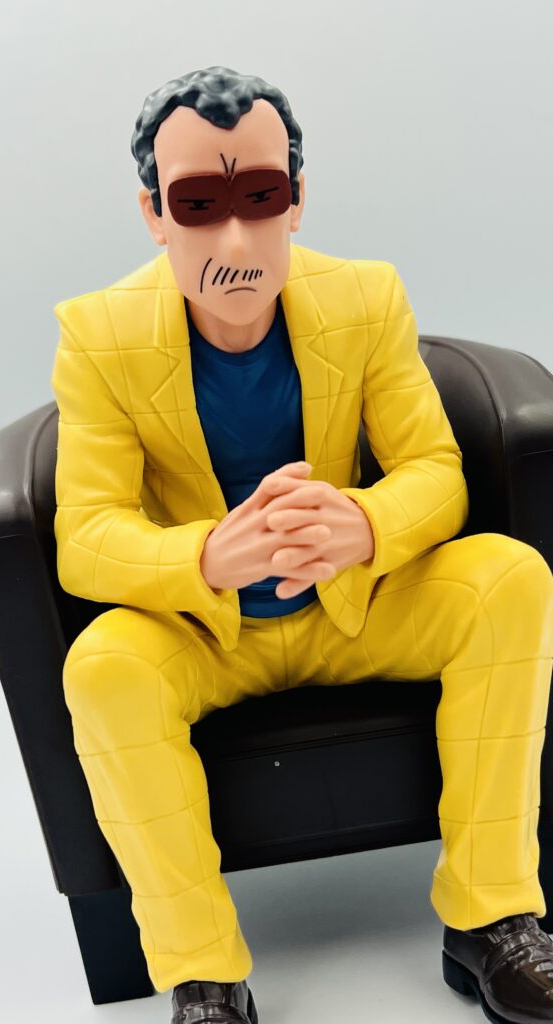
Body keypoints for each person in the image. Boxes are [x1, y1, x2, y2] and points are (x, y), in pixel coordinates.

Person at [50, 65, 553, 1024]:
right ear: (154, 215)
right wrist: (207, 557)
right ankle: (203, 973)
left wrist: (365, 524)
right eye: (199, 206)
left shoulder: (366, 298)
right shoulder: (99, 337)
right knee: (103, 665)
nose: (236, 240)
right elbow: (86, 534)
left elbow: (434, 470)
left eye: (260, 197)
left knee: (510, 577)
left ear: (297, 199)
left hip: (354, 607)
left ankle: (491, 918)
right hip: (207, 633)